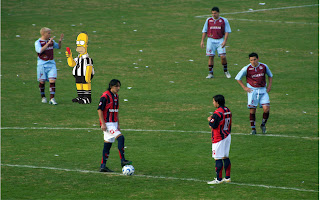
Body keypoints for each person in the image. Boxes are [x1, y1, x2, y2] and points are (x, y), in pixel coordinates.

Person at [97, 79, 132, 172]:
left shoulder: (116, 96)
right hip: (108, 124)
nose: (118, 88)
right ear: (111, 86)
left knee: (107, 144)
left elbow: (116, 111)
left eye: (119, 86)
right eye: (116, 86)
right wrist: (103, 124)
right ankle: (123, 160)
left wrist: (118, 124)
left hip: (114, 123)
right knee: (120, 138)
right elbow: (99, 110)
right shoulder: (105, 96)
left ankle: (103, 166)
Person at [235, 53, 273, 135]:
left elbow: (270, 76)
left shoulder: (264, 66)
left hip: (263, 90)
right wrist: (244, 87)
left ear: (258, 59)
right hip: (252, 91)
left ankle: (263, 125)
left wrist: (269, 86)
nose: (253, 62)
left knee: (266, 109)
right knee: (252, 110)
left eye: (254, 59)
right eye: (251, 60)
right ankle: (253, 129)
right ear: (249, 60)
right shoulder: (247, 68)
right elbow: (238, 78)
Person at [35, 27, 64, 105]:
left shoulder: (51, 41)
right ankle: (43, 97)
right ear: (43, 34)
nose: (50, 34)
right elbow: (40, 50)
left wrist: (60, 41)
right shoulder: (38, 42)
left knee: (52, 80)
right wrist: (48, 43)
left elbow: (58, 47)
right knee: (42, 81)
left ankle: (52, 98)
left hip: (51, 64)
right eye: (48, 33)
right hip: (42, 65)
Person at [201, 7, 232, 79]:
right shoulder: (208, 20)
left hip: (220, 40)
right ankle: (210, 73)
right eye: (212, 13)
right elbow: (204, 31)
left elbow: (227, 31)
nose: (213, 15)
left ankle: (226, 71)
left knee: (223, 57)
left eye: (215, 13)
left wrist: (225, 41)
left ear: (218, 13)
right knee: (211, 56)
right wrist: (202, 41)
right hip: (210, 40)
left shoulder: (224, 20)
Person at [207, 95, 232, 184]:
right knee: (225, 156)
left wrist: (210, 119)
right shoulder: (227, 110)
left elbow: (212, 125)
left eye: (213, 101)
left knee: (217, 158)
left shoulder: (217, 113)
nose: (213, 103)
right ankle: (227, 177)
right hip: (227, 135)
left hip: (218, 137)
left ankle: (219, 179)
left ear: (217, 102)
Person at [66, 32, 94, 104]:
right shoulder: (78, 58)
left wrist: (87, 77)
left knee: (85, 84)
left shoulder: (88, 59)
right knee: (79, 84)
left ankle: (87, 98)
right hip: (78, 75)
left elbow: (89, 67)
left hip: (85, 75)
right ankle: (80, 96)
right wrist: (69, 57)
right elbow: (71, 64)